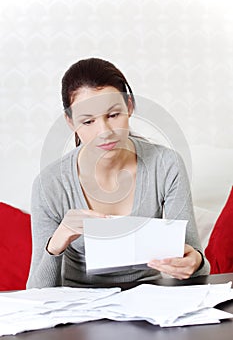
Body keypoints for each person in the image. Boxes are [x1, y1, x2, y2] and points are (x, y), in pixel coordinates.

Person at [26, 57, 210, 288]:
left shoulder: (166, 165)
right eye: (88, 121)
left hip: (150, 304)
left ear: (129, 106)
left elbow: (195, 262)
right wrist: (58, 241)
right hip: (79, 310)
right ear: (70, 122)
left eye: (113, 115)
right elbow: (37, 291)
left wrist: (195, 262)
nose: (104, 132)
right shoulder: (50, 184)